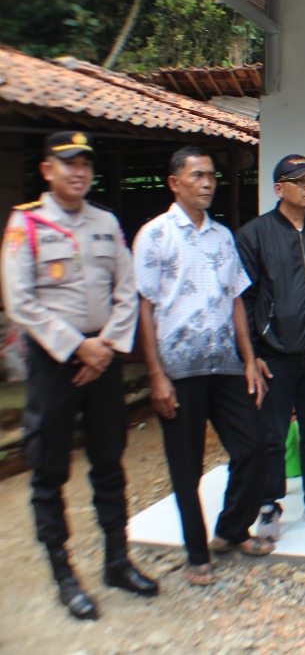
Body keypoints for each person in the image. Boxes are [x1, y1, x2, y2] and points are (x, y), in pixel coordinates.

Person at [1, 132, 157, 620]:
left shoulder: (106, 222)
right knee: (49, 470)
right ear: (47, 170)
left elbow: (127, 290)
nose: (79, 171)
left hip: (103, 357)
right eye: (68, 163)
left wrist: (105, 346)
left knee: (109, 462)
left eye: (85, 163)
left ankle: (117, 560)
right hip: (53, 363)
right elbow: (19, 301)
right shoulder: (25, 223)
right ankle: (63, 574)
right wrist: (77, 347)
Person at [134, 146, 272, 587]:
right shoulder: (154, 235)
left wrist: (250, 360)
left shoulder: (222, 237)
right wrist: (155, 375)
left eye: (211, 175)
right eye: (198, 175)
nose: (208, 182)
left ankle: (231, 529)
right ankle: (197, 554)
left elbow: (235, 302)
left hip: (225, 365)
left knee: (252, 447)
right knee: (186, 466)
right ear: (175, 182)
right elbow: (145, 307)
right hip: (179, 369)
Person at [236, 155, 305, 540]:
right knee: (272, 432)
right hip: (274, 356)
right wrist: (253, 354)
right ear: (278, 188)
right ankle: (269, 505)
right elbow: (245, 299)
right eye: (299, 180)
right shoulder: (255, 233)